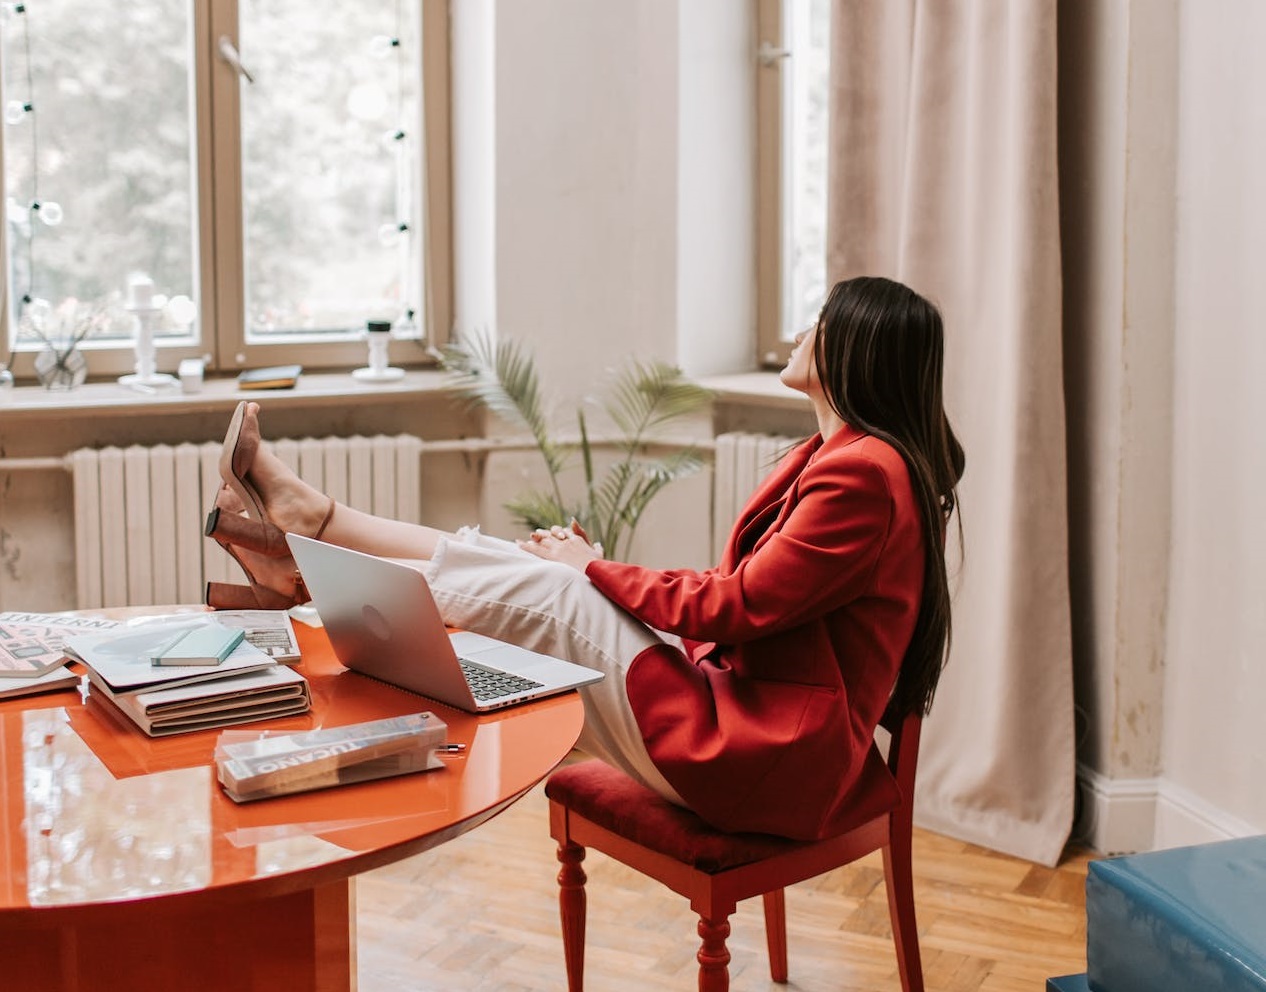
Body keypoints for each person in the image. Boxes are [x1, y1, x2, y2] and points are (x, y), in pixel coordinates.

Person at [205, 275, 964, 841]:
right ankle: (306, 538)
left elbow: (740, 604)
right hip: (751, 719)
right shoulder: (838, 457)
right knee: (539, 577)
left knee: (556, 590)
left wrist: (592, 573)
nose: (803, 329)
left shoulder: (864, 472)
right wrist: (592, 572)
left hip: (760, 760)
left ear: (854, 346)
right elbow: (743, 600)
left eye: (819, 320)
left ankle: (304, 545)